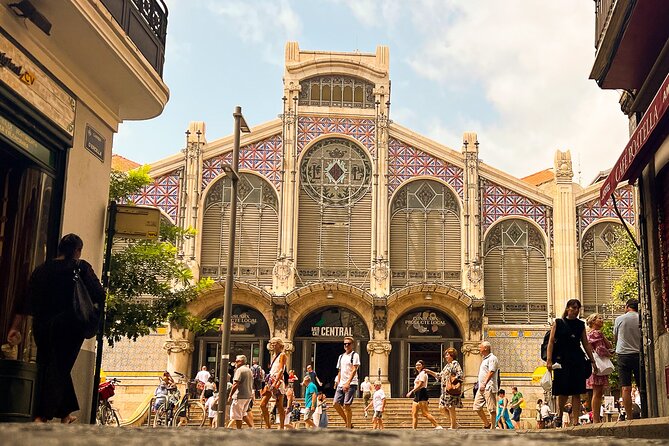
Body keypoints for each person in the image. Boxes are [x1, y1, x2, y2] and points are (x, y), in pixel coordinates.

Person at [6, 234, 104, 423]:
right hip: (70, 327)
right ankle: (42, 415)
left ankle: (65, 413)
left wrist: (15, 326)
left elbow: (26, 299)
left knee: (51, 365)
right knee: (59, 368)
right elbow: (99, 293)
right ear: (78, 251)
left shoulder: (42, 270)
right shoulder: (80, 267)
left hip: (43, 326)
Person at [546, 298, 597, 427]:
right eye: (574, 308)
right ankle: (559, 414)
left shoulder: (580, 325)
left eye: (578, 308)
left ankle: (575, 420)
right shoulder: (558, 323)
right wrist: (549, 360)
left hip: (577, 359)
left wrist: (592, 360)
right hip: (561, 360)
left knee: (576, 391)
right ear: (568, 308)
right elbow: (551, 342)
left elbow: (585, 343)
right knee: (562, 391)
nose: (576, 311)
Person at [614, 298, 641, 421]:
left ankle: (629, 417)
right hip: (638, 354)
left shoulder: (619, 319)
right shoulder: (640, 317)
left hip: (623, 355)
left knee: (625, 387)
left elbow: (616, 337)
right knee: (642, 386)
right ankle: (645, 412)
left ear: (627, 306)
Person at [425, 347, 462, 430]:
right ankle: (455, 424)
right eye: (446, 355)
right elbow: (440, 376)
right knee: (441, 408)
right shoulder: (447, 366)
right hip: (445, 391)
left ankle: (453, 426)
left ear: (452, 355)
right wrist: (430, 372)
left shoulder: (455, 363)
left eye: (447, 355)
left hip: (451, 389)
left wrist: (453, 379)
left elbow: (460, 374)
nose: (446, 356)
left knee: (451, 407)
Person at [585, 313, 612, 423]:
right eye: (599, 318)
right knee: (598, 392)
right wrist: (610, 353)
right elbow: (601, 349)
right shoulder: (596, 333)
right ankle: (596, 419)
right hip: (598, 365)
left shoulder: (589, 333)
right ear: (593, 321)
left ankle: (595, 418)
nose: (602, 320)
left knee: (597, 392)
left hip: (594, 364)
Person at [333, 336, 360, 429]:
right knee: (335, 404)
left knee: (347, 405)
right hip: (341, 383)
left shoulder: (354, 355)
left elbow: (354, 369)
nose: (346, 345)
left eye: (348, 344)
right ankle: (348, 422)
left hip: (351, 383)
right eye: (345, 344)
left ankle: (348, 426)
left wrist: (348, 382)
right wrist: (338, 382)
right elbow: (340, 371)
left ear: (352, 345)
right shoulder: (341, 356)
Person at [260, 337, 288, 429]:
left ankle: (281, 426)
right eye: (272, 343)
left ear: (279, 344)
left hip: (277, 381)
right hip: (271, 380)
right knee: (262, 404)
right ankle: (268, 426)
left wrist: (275, 383)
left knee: (279, 405)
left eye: (274, 343)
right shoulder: (274, 356)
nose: (272, 345)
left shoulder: (282, 355)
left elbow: (281, 370)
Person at [406, 359, 442, 429]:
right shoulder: (419, 374)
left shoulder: (423, 373)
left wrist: (411, 391)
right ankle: (414, 429)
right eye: (416, 365)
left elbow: (420, 384)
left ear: (422, 366)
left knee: (425, 413)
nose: (417, 366)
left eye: (419, 365)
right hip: (417, 394)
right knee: (414, 413)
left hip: (422, 392)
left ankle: (437, 426)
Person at [473, 341, 499, 430]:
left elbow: (491, 371)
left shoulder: (492, 358)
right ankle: (487, 423)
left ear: (486, 348)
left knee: (492, 409)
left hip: (489, 387)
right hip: (481, 387)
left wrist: (484, 383)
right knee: (476, 407)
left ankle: (493, 428)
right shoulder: (484, 359)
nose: (479, 349)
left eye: (480, 347)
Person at [227, 354, 254, 429]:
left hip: (240, 396)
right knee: (243, 413)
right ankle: (251, 427)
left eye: (237, 361)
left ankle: (239, 430)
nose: (235, 362)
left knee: (237, 415)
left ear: (241, 362)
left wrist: (230, 395)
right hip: (247, 395)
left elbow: (235, 384)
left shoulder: (239, 370)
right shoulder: (249, 370)